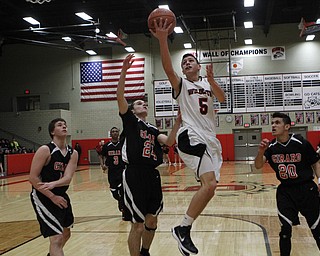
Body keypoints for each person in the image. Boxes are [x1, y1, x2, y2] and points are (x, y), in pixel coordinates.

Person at [151, 20, 226, 255]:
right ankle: (183, 229)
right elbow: (167, 68)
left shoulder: (206, 83)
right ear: (183, 70)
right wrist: (163, 39)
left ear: (198, 66)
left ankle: (183, 228)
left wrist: (212, 80)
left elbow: (222, 99)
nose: (186, 62)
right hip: (191, 135)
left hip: (209, 138)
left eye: (190, 60)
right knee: (210, 183)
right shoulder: (181, 84)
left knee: (210, 187)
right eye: (184, 62)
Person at [117, 54, 181, 256]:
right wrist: (124, 71)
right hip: (134, 173)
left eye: (144, 103)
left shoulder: (153, 129)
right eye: (138, 103)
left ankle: (145, 252)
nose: (143, 104)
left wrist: (178, 122)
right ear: (132, 110)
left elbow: (169, 142)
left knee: (151, 219)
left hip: (152, 175)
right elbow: (119, 96)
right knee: (137, 224)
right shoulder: (130, 122)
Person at [254, 112, 320, 256]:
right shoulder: (271, 147)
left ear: (287, 126)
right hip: (285, 191)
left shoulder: (300, 142)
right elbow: (258, 165)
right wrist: (260, 152)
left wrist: (319, 180)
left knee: (317, 230)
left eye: (277, 123)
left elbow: (315, 162)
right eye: (272, 123)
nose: (273, 125)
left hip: (306, 189)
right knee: (285, 230)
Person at [29, 118, 78, 256]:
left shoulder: (72, 153)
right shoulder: (45, 150)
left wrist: (54, 184)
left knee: (66, 233)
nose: (64, 126)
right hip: (43, 196)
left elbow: (67, 178)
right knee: (56, 238)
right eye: (59, 125)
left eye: (65, 125)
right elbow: (32, 178)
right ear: (52, 131)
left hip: (61, 194)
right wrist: (52, 195)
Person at [100, 127, 126, 218]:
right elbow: (102, 156)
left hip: (122, 170)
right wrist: (102, 164)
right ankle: (120, 201)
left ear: (118, 133)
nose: (114, 133)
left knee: (123, 191)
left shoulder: (122, 144)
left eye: (116, 131)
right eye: (113, 132)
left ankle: (124, 209)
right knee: (114, 192)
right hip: (111, 171)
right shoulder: (107, 146)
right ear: (110, 134)